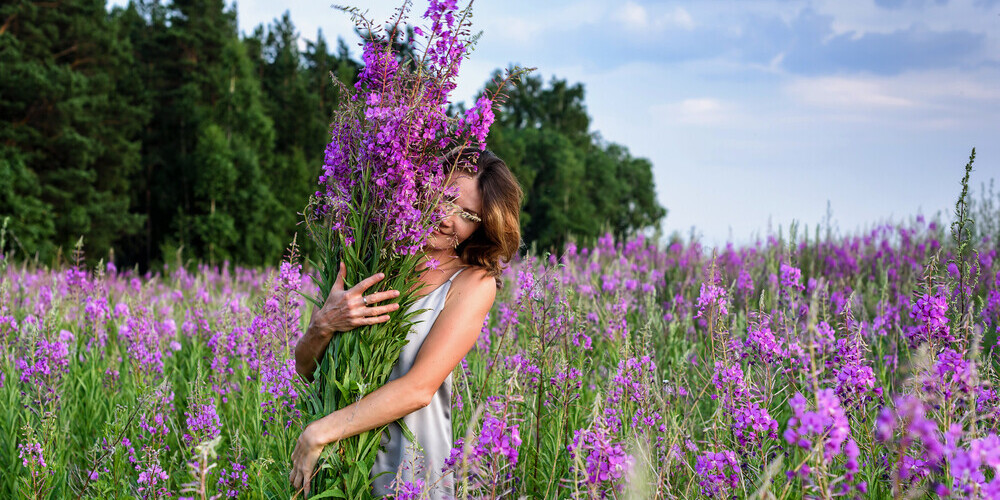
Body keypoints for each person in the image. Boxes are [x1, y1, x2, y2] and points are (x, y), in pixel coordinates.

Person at [289, 149, 523, 498]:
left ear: (481, 226)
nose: (446, 218)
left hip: (410, 476)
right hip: (337, 474)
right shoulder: (371, 255)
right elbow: (307, 369)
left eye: (467, 215)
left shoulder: (472, 283)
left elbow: (418, 388)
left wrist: (320, 432)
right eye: (444, 199)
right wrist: (324, 325)